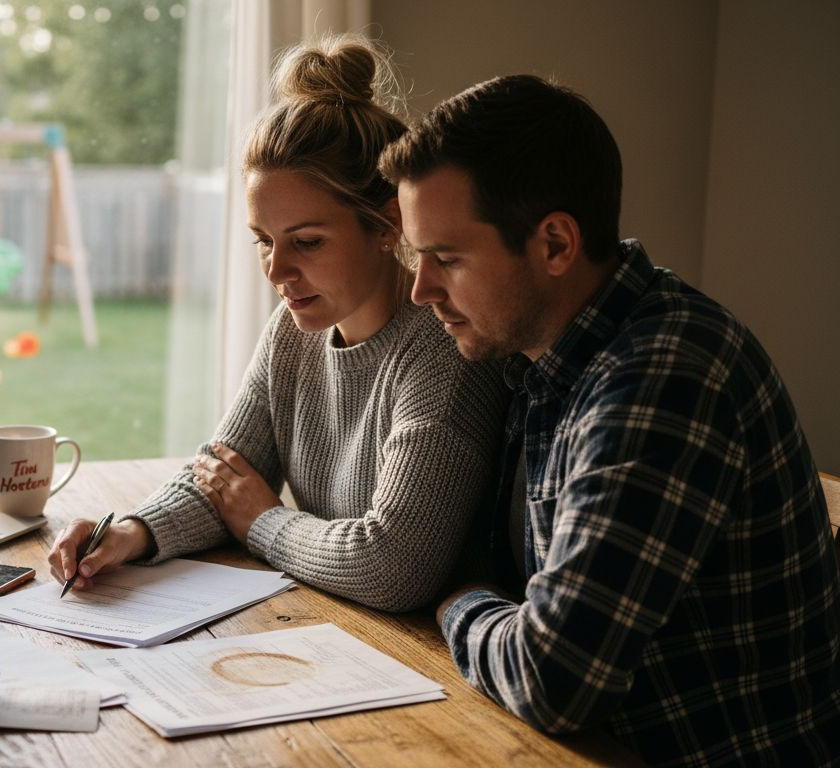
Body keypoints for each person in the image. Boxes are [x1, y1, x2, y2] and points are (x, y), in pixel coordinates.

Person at [381, 74, 840, 765]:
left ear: (556, 245)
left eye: (446, 258)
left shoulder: (664, 377)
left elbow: (551, 680)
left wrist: (458, 602)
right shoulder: (546, 360)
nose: (421, 290)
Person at [46, 37, 509, 613]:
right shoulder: (292, 332)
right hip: (329, 618)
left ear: (388, 225)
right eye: (263, 240)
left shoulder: (444, 350)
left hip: (424, 649)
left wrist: (263, 522)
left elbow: (392, 568)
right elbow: (222, 479)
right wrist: (129, 534)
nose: (276, 270)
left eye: (306, 242)